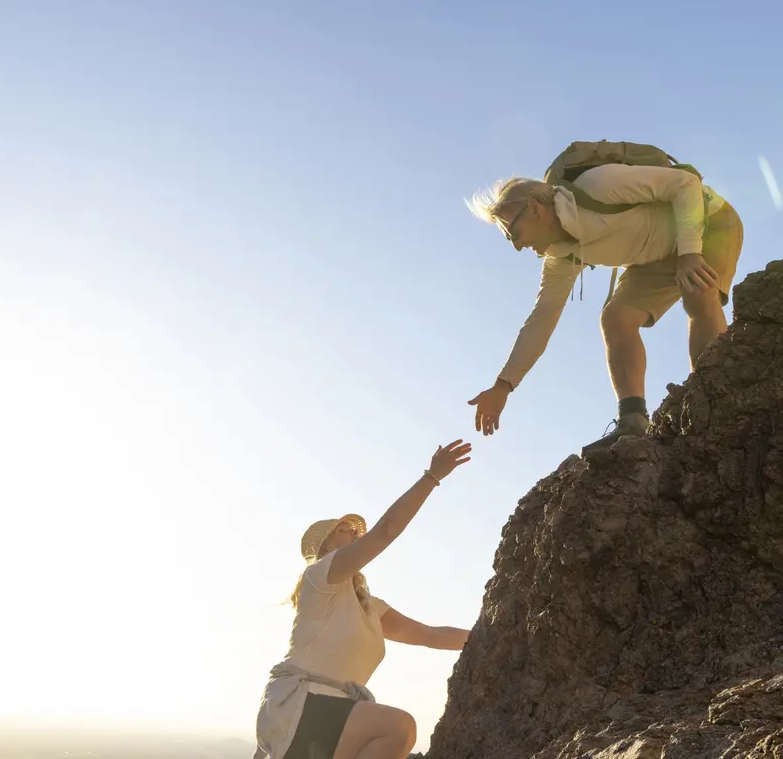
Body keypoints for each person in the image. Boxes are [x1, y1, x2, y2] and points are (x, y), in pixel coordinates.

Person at [465, 163, 744, 453]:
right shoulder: (560, 259)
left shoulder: (598, 185)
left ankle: (714, 400)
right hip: (655, 254)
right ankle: (632, 420)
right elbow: (541, 321)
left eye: (513, 233)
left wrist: (690, 252)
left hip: (708, 222)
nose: (517, 247)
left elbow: (685, 184)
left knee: (698, 291)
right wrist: (503, 386)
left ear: (535, 208)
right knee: (616, 317)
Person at [253, 440, 474, 759]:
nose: (355, 533)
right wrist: (431, 477)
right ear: (326, 549)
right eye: (344, 530)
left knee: (397, 733)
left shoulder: (370, 608)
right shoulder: (319, 577)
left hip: (328, 717)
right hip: (299, 706)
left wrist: (493, 638)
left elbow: (431, 635)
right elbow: (385, 531)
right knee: (398, 727)